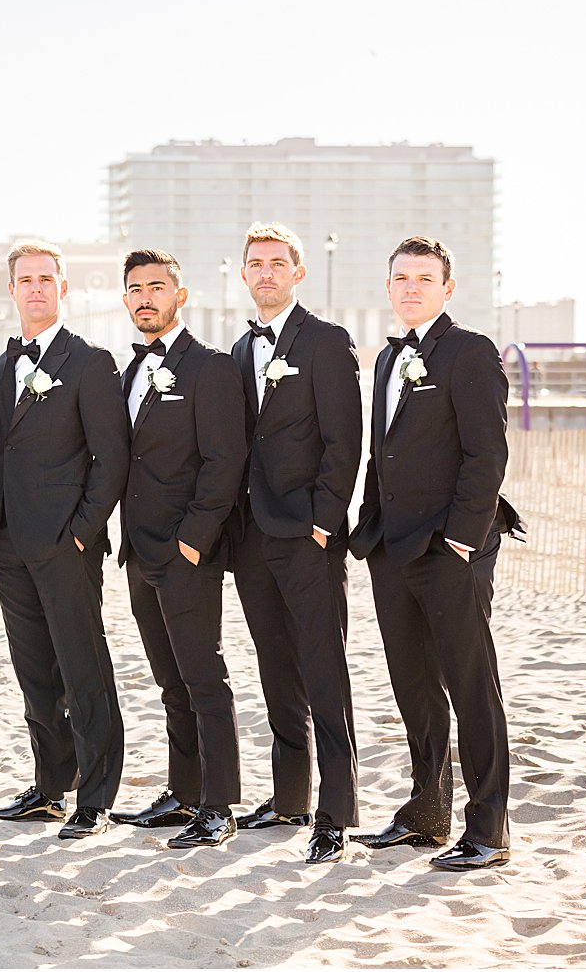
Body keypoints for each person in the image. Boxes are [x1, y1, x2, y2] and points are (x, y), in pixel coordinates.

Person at [349, 236, 514, 872]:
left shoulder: (470, 353)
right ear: (388, 288)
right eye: (401, 278)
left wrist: (462, 540)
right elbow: (381, 453)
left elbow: (487, 456)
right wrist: (369, 525)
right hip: (392, 547)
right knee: (413, 683)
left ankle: (489, 829)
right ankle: (426, 810)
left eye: (424, 277)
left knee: (470, 685)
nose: (411, 287)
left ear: (448, 288)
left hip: (451, 550)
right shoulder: (387, 361)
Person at [0, 241, 129, 841]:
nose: (36, 288)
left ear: (62, 287)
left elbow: (110, 460)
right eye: (25, 280)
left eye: (46, 278)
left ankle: (95, 797)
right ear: (11, 289)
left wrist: (81, 534)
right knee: (33, 670)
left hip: (66, 544)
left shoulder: (90, 362)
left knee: (81, 665)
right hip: (9, 544)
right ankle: (50, 787)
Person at [224, 223, 362, 864]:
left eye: (278, 263)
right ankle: (288, 799)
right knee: (276, 669)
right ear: (243, 274)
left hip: (306, 534)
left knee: (322, 669)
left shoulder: (328, 343)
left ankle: (335, 813)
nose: (267, 273)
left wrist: (323, 521)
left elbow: (344, 441)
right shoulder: (236, 349)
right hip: (251, 536)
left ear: (298, 272)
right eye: (256, 264)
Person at [109, 248, 247, 849]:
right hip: (138, 552)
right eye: (136, 288)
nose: (146, 297)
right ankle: (183, 791)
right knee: (169, 681)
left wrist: (193, 541)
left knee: (203, 677)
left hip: (187, 551)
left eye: (157, 287)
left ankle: (219, 805)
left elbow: (225, 463)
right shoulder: (127, 372)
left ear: (180, 296)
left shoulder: (209, 368)